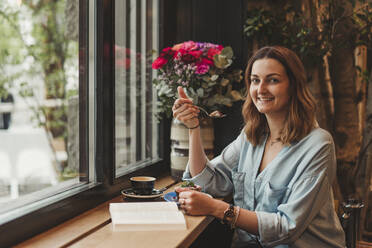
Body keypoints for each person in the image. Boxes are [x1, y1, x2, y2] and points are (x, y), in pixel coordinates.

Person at [172, 46, 346, 247]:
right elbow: (209, 182)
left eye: (272, 80)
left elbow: (286, 227)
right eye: (255, 80)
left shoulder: (318, 145)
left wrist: (217, 209)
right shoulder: (251, 136)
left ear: (293, 86)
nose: (261, 89)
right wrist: (194, 128)